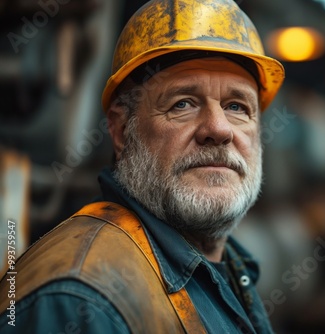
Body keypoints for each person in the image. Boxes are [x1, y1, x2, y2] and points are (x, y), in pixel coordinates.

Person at [0, 0, 284, 332]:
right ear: (122, 131)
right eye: (183, 104)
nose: (219, 129)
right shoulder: (78, 302)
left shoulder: (232, 267)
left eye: (237, 106)